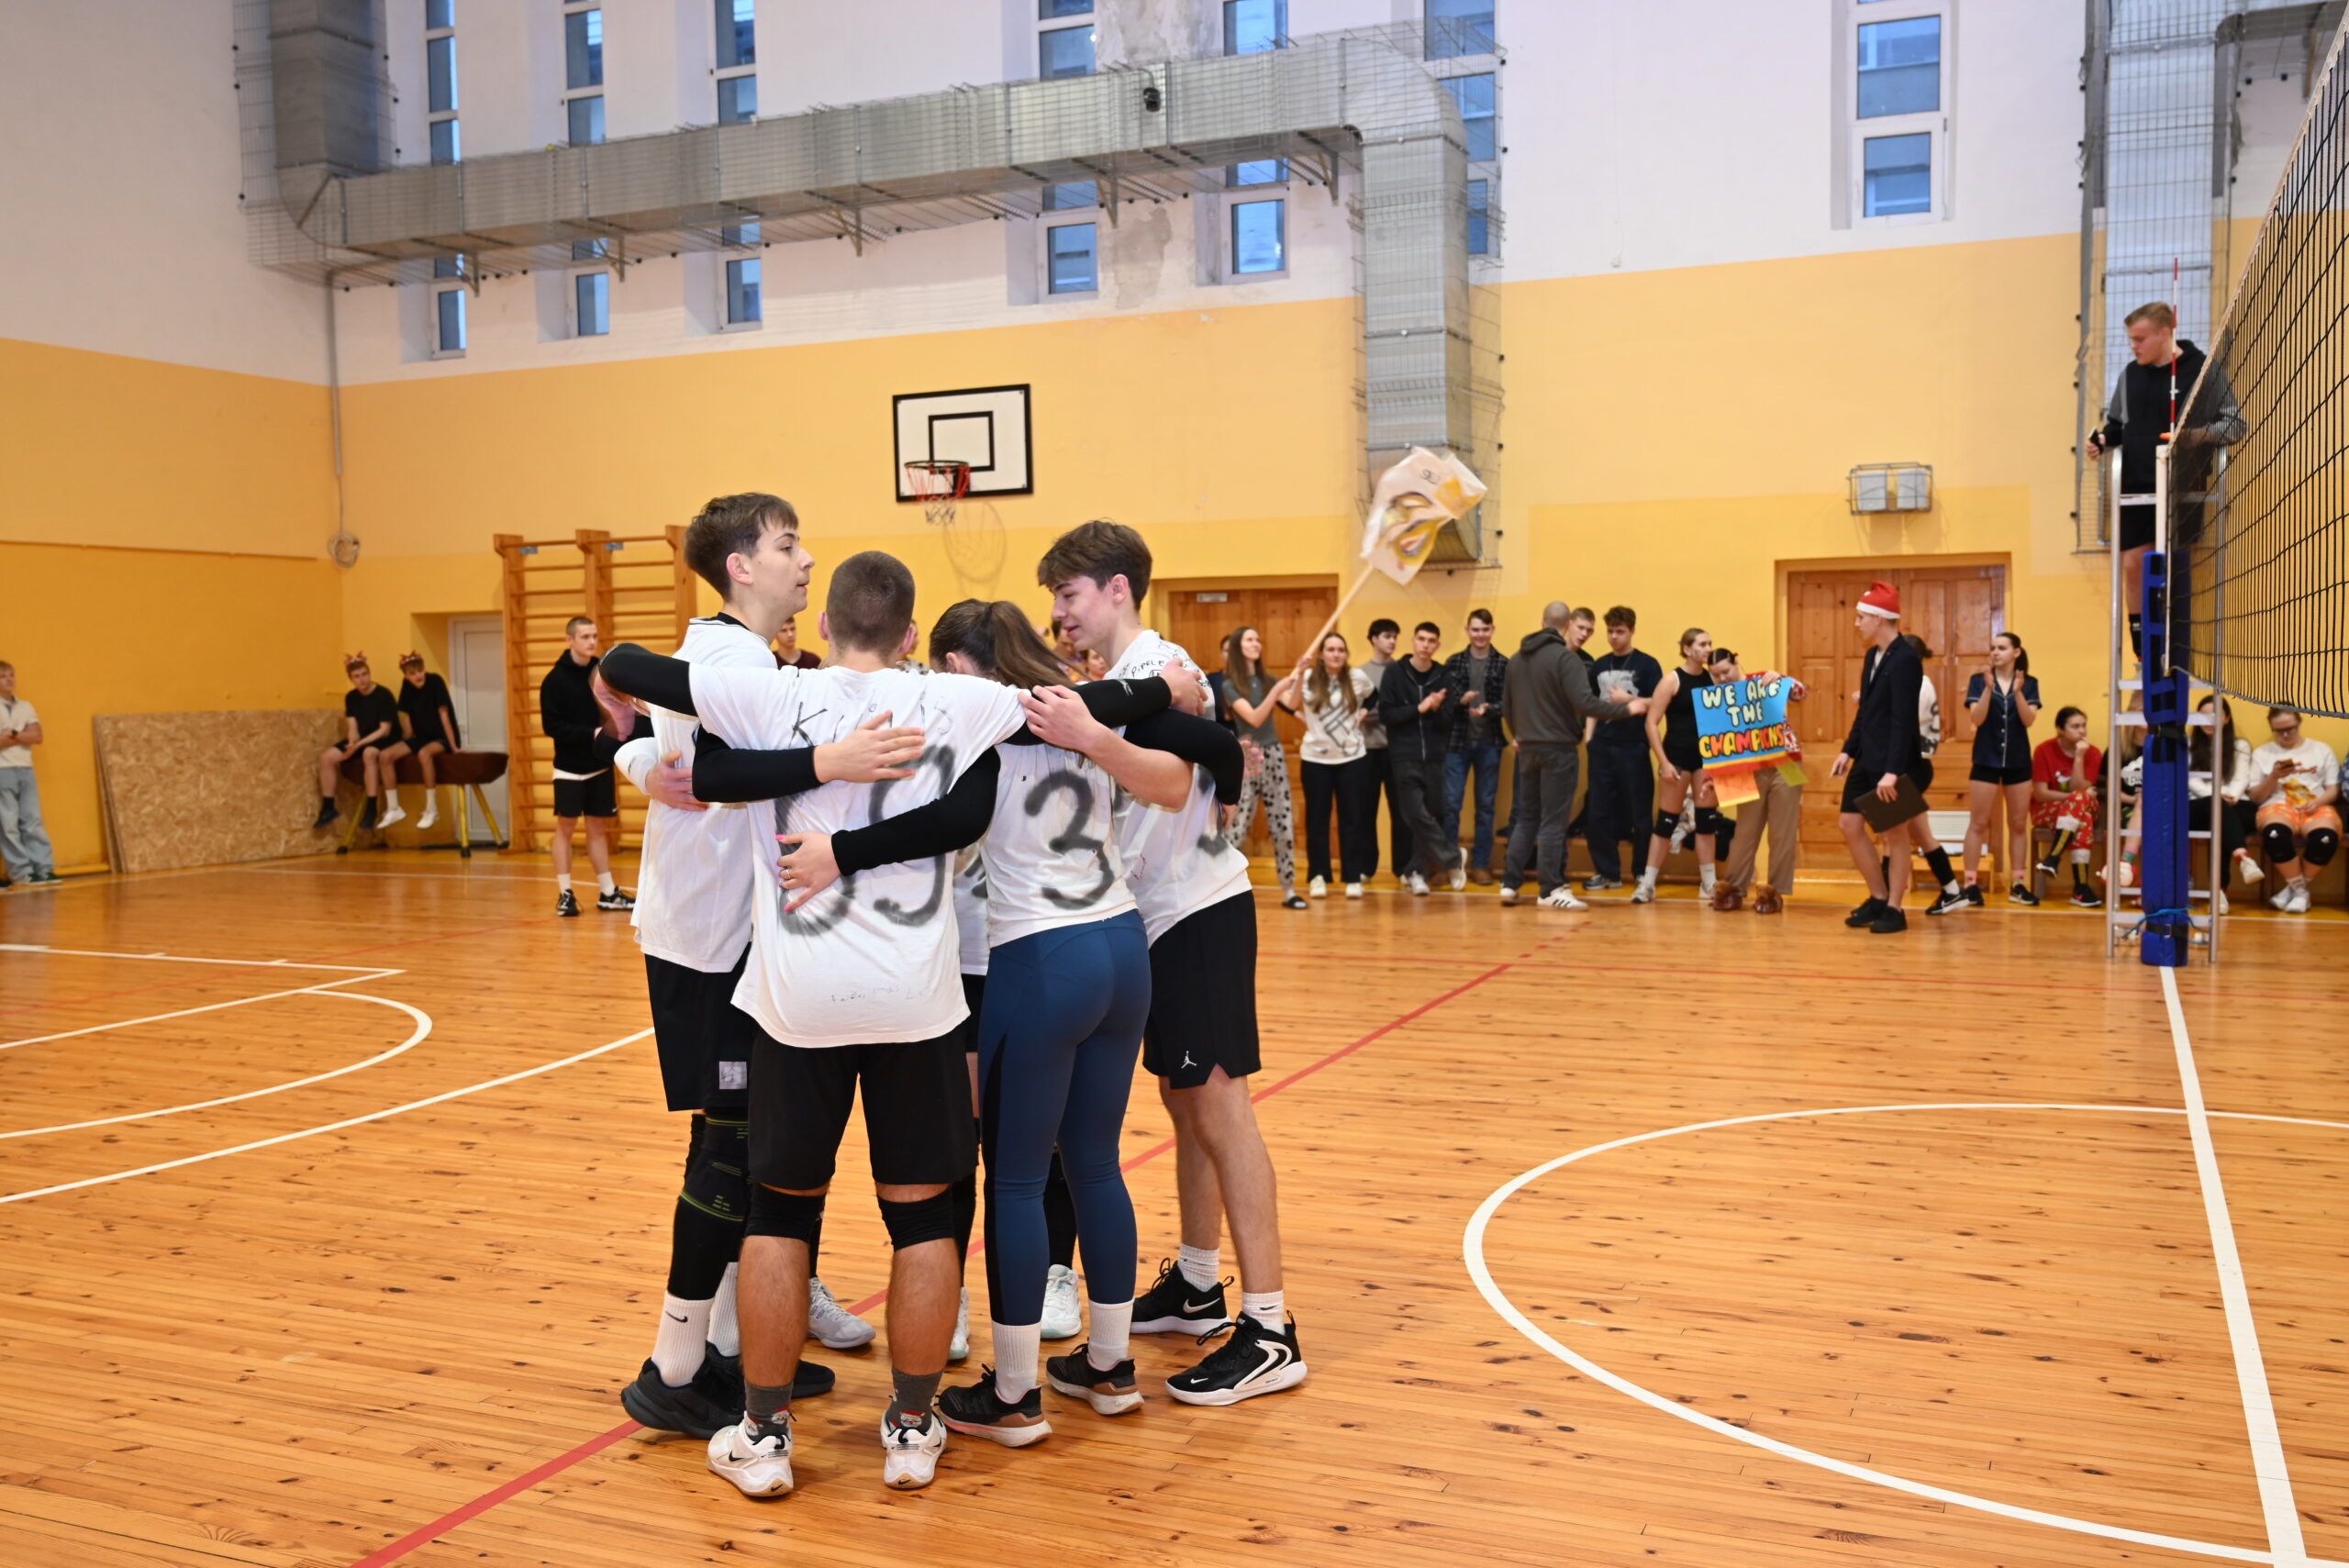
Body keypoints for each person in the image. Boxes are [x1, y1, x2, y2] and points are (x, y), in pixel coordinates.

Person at [596, 550, 1192, 1496]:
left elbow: (626, 666)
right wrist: (1164, 685)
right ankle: (913, 1426)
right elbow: (1090, 706)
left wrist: (803, 761)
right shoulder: (956, 700)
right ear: (913, 634)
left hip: (797, 1003)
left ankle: (763, 1434)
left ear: (824, 626)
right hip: (917, 1003)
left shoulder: (770, 691)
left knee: (778, 1215)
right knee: (922, 1218)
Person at [604, 494, 930, 1440]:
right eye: (788, 544)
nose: (806, 558)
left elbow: (660, 740)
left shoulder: (729, 653)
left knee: (741, 1146)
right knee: (729, 1147)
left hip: (720, 934)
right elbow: (718, 770)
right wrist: (831, 757)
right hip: (711, 942)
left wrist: (642, 762)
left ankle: (733, 1350)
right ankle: (674, 1367)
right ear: (741, 566)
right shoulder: (732, 659)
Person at [921, 600, 1243, 1447]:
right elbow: (1194, 747)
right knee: (1096, 1164)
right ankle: (1109, 1366)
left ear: (959, 665)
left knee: (1017, 1180)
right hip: (1122, 945)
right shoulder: (1083, 705)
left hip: (1041, 956)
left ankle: (1015, 1392)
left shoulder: (986, 718)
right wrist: (1164, 688)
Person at [1039, 519, 1311, 1408]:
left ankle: (1269, 1328)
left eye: (1070, 593)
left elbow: (1172, 783)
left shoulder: (1164, 671)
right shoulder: (1128, 679)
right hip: (1152, 920)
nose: (1061, 612)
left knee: (1222, 1109)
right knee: (1184, 1101)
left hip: (1199, 913)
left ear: (1117, 588)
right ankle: (1198, 1283)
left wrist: (1091, 732)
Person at [2086, 302, 2245, 659]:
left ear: (2164, 332)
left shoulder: (2203, 370)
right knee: (2133, 564)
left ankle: (2174, 646)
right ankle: (2142, 645)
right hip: (2136, 485)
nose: (2134, 346)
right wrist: (2102, 440)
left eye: (2140, 339)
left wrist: (2192, 436)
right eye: (2131, 339)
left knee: (2173, 567)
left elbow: (2235, 426)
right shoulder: (2130, 375)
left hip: (2182, 487)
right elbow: (2117, 426)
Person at [1832, 582, 1962, 933]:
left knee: (1895, 834)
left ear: (1878, 618)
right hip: (1867, 757)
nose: (1857, 623)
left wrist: (1892, 772)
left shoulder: (1905, 659)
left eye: (1861, 617)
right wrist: (1848, 750)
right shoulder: (1872, 656)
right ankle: (1878, 897)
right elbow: (1867, 712)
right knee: (1849, 824)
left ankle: (1894, 908)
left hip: (1893, 763)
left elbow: (1903, 720)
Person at [1498, 603, 1645, 910]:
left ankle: (1509, 884)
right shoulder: (1566, 658)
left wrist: (1519, 735)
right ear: (1567, 625)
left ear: (1543, 622)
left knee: (1526, 817)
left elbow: (1507, 707)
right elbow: (1586, 704)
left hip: (1528, 748)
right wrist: (1627, 709)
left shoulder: (1516, 660)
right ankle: (1550, 889)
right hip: (1558, 749)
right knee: (1553, 821)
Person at [540, 617, 633, 917]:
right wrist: (590, 733)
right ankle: (565, 894)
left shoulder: (603, 674)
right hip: (569, 768)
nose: (591, 642)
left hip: (599, 765)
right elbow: (551, 726)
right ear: (570, 640)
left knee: (598, 829)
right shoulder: (554, 680)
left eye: (594, 636)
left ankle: (608, 893)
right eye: (584, 637)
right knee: (566, 828)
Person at [1707, 647, 1805, 913]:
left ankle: (1774, 891)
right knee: (1744, 833)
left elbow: (1800, 693)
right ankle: (1733, 888)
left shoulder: (1762, 680)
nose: (1722, 679)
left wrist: (1782, 679)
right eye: (1716, 675)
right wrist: (1711, 777)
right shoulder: (1717, 700)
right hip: (1746, 769)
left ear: (1736, 663)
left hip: (1787, 763)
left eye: (1725, 672)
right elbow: (1717, 742)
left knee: (1782, 832)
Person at [1219, 627, 1307, 910]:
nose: (1256, 643)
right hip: (1247, 758)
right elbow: (1255, 718)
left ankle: (1289, 889)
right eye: (1249, 639)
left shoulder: (1269, 680)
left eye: (1258, 639)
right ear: (1238, 646)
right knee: (1239, 825)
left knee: (1282, 821)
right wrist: (1277, 691)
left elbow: (1292, 702)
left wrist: (1300, 675)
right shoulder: (1230, 685)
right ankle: (1225, 888)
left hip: (1275, 756)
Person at [1634, 628, 1722, 905]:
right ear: (1686, 649)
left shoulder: (1713, 678)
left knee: (1707, 821)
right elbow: (1651, 722)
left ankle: (1709, 883)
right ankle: (1647, 884)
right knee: (1666, 822)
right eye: (1702, 644)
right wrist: (1663, 761)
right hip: (1676, 759)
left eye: (1709, 644)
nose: (1707, 649)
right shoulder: (1672, 680)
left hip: (1706, 759)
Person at [1378, 622, 1465, 895]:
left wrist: (1436, 708)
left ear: (1437, 645)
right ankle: (1453, 858)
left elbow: (1448, 722)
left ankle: (1417, 872)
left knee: (1432, 814)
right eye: (1421, 639)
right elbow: (1387, 715)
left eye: (1431, 641)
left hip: (1436, 757)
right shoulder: (1395, 672)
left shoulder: (1444, 676)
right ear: (1413, 641)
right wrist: (1419, 708)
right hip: (1404, 756)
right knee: (1414, 812)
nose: (1425, 645)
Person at [1956, 632, 2039, 908]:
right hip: (1985, 759)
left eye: (2002, 648)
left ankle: (2018, 884)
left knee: (2018, 824)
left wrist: (2018, 692)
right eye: (1993, 648)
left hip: (2018, 761)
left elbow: (2028, 720)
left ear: (2016, 652)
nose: (1995, 652)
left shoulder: (2030, 683)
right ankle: (1970, 884)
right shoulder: (1979, 681)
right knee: (1978, 823)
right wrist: (1988, 690)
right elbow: (1977, 718)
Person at [1584, 606, 1663, 892]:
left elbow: (1659, 702)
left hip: (1633, 745)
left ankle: (1642, 871)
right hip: (1602, 746)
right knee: (1598, 811)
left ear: (1632, 631)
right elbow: (1591, 704)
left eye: (1620, 632)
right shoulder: (1598, 665)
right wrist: (1589, 738)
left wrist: (1628, 699)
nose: (1614, 637)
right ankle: (1607, 872)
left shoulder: (1647, 665)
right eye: (1610, 632)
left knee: (1640, 812)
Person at [1296, 631, 1378, 898]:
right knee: (1317, 821)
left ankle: (1353, 877)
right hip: (1315, 759)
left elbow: (1373, 695)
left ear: (1346, 654)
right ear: (1321, 654)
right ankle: (1318, 876)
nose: (1336, 654)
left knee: (1352, 819)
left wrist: (1363, 713)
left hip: (1352, 757)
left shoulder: (1356, 677)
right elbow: (1288, 702)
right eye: (1331, 649)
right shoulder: (1308, 677)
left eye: (1341, 650)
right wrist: (1298, 675)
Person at [2248, 704, 2341, 914]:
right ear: (2272, 729)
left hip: (2316, 805)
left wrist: (2318, 802)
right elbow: (2255, 797)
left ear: (2299, 722)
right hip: (2277, 806)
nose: (2285, 735)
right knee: (2275, 834)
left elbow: (2333, 790)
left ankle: (2293, 891)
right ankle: (2300, 892)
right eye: (2279, 731)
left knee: (2325, 838)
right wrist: (2274, 777)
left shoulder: (2321, 750)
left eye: (2290, 729)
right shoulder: (2263, 753)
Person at [1442, 609, 1509, 884]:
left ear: (1492, 630)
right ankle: (1449, 864)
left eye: (1485, 629)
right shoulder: (1453, 662)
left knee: (1486, 806)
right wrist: (1460, 701)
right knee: (1450, 805)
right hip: (1456, 743)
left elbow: (1510, 703)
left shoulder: (1503, 663)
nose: (1480, 635)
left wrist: (1489, 709)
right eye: (1475, 629)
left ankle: (1481, 864)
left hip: (1489, 743)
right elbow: (1443, 702)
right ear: (1467, 630)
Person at [315, 654, 413, 833]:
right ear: (351, 679)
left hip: (386, 738)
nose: (362, 679)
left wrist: (358, 746)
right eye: (357, 676)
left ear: (369, 674)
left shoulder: (383, 694)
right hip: (363, 738)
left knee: (369, 753)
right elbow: (353, 726)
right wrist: (352, 742)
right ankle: (329, 807)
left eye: (364, 674)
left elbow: (385, 730)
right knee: (327, 757)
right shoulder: (351, 697)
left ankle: (371, 807)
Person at [2029, 706, 2105, 907]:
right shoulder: (2043, 750)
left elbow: (2077, 787)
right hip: (2047, 810)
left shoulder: (2093, 753)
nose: (2082, 731)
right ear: (2060, 729)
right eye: (2075, 726)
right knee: (2082, 814)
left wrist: (2079, 757)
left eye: (2084, 726)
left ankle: (2053, 858)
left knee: (2081, 804)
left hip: (2080, 808)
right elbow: (2041, 794)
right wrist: (2075, 798)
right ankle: (2081, 889)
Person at [1360, 618, 1411, 879]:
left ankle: (1403, 868)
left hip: (1396, 750)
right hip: (1367, 749)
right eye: (1387, 636)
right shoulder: (1360, 673)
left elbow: (1405, 709)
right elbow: (1356, 711)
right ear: (1374, 639)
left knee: (1401, 812)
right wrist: (1386, 711)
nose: (1392, 642)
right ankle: (1366, 868)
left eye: (1395, 637)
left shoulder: (1402, 671)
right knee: (1366, 811)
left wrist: (1384, 711)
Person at [0, 661, 57, 885]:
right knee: (8, 823)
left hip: (26, 768)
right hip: (3, 769)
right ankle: (20, 871)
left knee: (33, 820)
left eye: (11, 675)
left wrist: (12, 734)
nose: (9, 680)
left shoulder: (25, 706)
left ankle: (43, 868)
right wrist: (22, 734)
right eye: (3, 676)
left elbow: (37, 736)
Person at [395, 653, 461, 832]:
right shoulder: (407, 686)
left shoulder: (435, 681)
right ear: (406, 676)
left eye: (420, 671)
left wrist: (454, 745)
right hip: (420, 737)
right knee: (386, 755)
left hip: (440, 737)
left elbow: (444, 714)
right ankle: (393, 807)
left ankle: (432, 808)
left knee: (424, 754)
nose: (418, 676)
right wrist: (405, 739)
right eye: (412, 673)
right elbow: (408, 716)